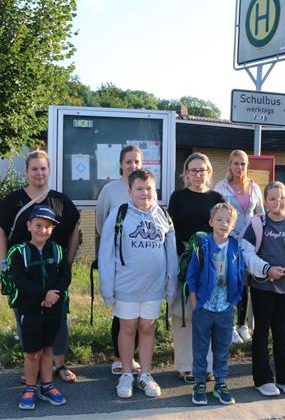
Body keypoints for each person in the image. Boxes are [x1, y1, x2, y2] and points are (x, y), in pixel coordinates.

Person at [0, 150, 80, 384]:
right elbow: (1, 233)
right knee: (27, 318)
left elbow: (74, 231)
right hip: (25, 276)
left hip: (54, 272)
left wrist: (68, 262)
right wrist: (4, 266)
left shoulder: (61, 201)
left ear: (49, 171)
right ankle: (32, 366)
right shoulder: (13, 201)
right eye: (34, 169)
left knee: (58, 317)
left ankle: (58, 365)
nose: (39, 173)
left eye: (43, 168)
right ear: (27, 172)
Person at [98, 169, 178, 398]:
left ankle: (145, 374)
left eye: (149, 188)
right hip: (126, 287)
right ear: (130, 192)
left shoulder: (163, 215)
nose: (145, 193)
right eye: (139, 189)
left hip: (153, 288)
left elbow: (171, 253)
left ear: (156, 190)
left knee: (147, 328)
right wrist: (107, 287)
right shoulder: (119, 214)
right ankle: (126, 373)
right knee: (128, 328)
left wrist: (171, 286)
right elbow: (106, 253)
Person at [241, 181, 285, 397]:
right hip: (263, 287)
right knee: (261, 330)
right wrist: (266, 269)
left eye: (281, 197)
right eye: (272, 198)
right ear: (265, 201)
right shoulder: (256, 224)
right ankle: (262, 379)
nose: (277, 202)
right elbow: (246, 253)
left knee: (282, 330)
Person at [167, 153, 225, 383]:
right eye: (193, 170)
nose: (198, 174)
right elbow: (172, 231)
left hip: (212, 263)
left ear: (209, 172)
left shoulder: (217, 197)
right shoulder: (178, 197)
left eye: (202, 170)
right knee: (184, 315)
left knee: (209, 314)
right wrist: (186, 254)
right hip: (185, 260)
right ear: (186, 173)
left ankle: (206, 365)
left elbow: (223, 227)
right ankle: (184, 365)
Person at [11, 205, 71, 410]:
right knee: (32, 353)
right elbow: (20, 281)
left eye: (47, 227)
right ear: (29, 226)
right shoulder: (19, 253)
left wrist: (54, 295)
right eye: (38, 225)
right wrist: (42, 296)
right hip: (31, 309)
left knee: (48, 350)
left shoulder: (58, 250)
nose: (42, 230)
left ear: (52, 230)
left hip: (54, 308)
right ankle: (30, 388)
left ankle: (47, 386)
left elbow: (65, 277)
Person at [186, 203, 245, 406]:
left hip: (225, 308)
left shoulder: (236, 246)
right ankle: (200, 383)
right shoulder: (202, 245)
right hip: (204, 307)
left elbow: (239, 273)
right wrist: (195, 302)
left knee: (221, 349)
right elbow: (191, 275)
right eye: (219, 219)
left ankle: (220, 383)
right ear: (211, 222)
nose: (223, 224)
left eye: (228, 221)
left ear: (233, 225)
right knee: (200, 348)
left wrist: (235, 301)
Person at [95, 145, 144, 376]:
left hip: (141, 264)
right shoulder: (110, 190)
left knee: (139, 313)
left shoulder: (146, 188)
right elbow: (101, 222)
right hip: (117, 261)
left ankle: (132, 357)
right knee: (121, 312)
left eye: (136, 161)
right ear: (121, 164)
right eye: (128, 161)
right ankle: (118, 356)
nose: (132, 166)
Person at [213, 149, 264, 344]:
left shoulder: (255, 187)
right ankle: (230, 326)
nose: (239, 167)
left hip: (250, 242)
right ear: (229, 165)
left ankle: (242, 324)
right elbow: (216, 214)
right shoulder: (221, 187)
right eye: (235, 163)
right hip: (229, 240)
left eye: (242, 164)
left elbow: (260, 215)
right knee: (229, 282)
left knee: (245, 285)